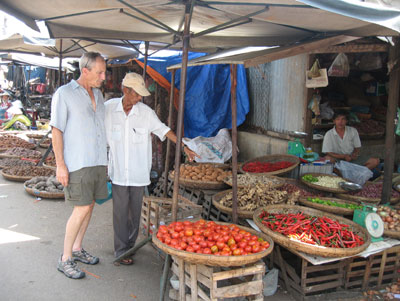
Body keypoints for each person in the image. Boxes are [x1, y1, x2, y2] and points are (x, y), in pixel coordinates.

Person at [105, 72, 198, 265]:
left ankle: (129, 245)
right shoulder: (108, 109)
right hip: (119, 173)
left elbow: (164, 130)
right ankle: (121, 250)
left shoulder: (146, 113)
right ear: (125, 90)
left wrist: (183, 147)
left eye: (140, 95)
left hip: (139, 174)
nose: (140, 98)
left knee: (135, 213)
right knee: (120, 213)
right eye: (136, 94)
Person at [51, 52, 108, 279]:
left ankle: (77, 248)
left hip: (97, 160)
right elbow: (57, 130)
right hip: (78, 162)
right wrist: (60, 165)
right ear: (85, 70)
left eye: (104, 71)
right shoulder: (64, 94)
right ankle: (65, 259)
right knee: (81, 207)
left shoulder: (99, 94)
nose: (103, 77)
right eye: (99, 72)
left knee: (90, 205)